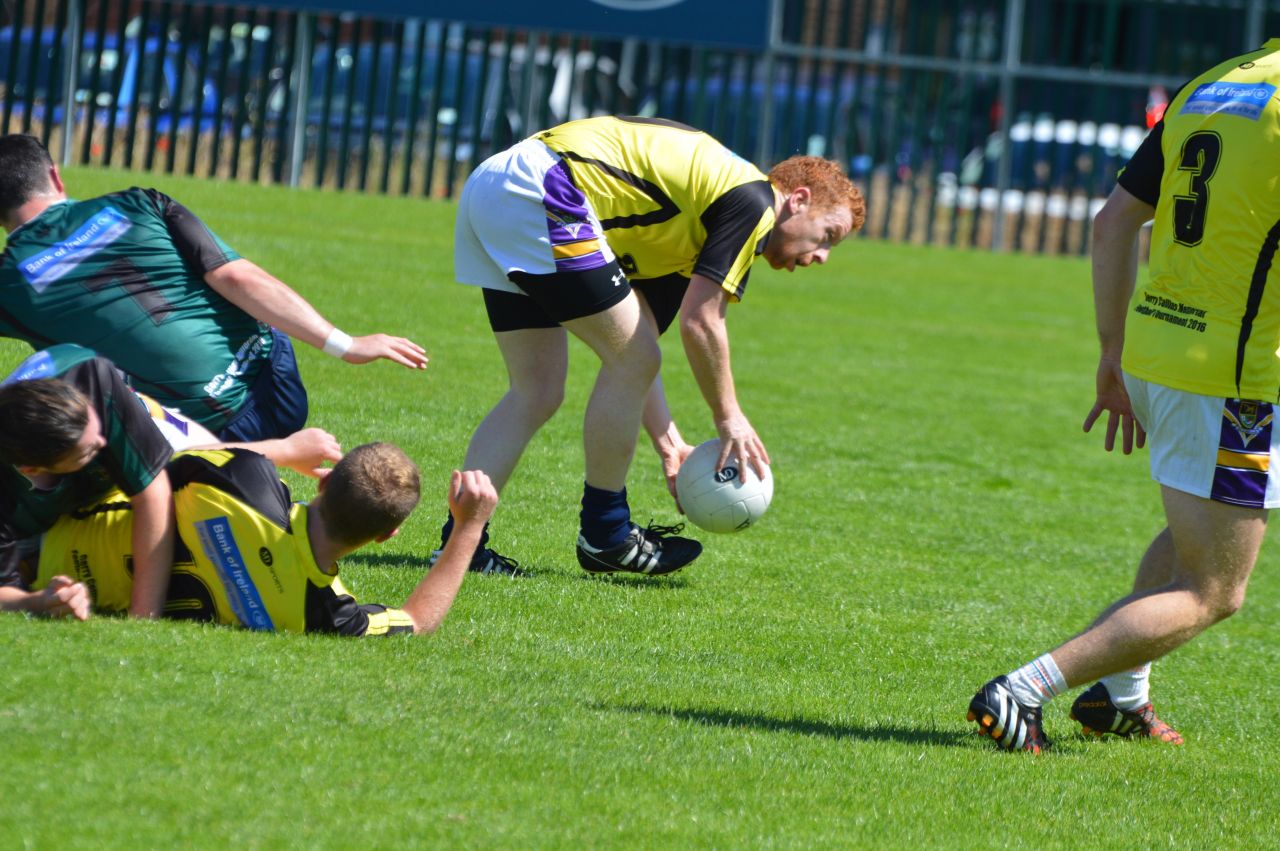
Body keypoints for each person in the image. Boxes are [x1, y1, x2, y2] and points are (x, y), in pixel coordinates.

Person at [967, 39, 1280, 752]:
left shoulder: (1215, 82)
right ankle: (1023, 688)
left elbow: (1113, 222)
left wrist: (1112, 353)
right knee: (1214, 588)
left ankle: (1119, 694)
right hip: (1232, 379)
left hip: (1155, 348)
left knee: (1197, 531)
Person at [448, 115, 865, 577]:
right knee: (630, 358)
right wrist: (730, 418)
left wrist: (670, 446)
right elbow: (701, 321)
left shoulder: (692, 223)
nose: (821, 256)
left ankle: (459, 548)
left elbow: (637, 341)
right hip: (543, 186)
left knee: (538, 390)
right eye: (827, 235)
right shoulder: (754, 202)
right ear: (798, 200)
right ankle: (605, 534)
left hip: (498, 186)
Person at [0, 133, 428, 442]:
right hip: (277, 386)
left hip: (192, 437)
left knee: (67, 390)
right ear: (56, 177)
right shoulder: (140, 202)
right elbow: (237, 277)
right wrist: (347, 345)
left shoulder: (9, 282)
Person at [0, 344, 342, 618]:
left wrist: (143, 615)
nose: (105, 443)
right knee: (37, 560)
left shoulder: (92, 383)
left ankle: (283, 449)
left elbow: (155, 490)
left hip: (123, 413)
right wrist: (37, 601)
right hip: (36, 505)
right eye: (89, 451)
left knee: (190, 465)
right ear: (30, 469)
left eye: (98, 433)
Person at [18, 444, 498, 637]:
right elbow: (416, 622)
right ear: (384, 536)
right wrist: (468, 527)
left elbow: (152, 458)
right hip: (55, 589)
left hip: (34, 521)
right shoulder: (325, 614)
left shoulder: (246, 478)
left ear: (325, 482)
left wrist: (286, 449)